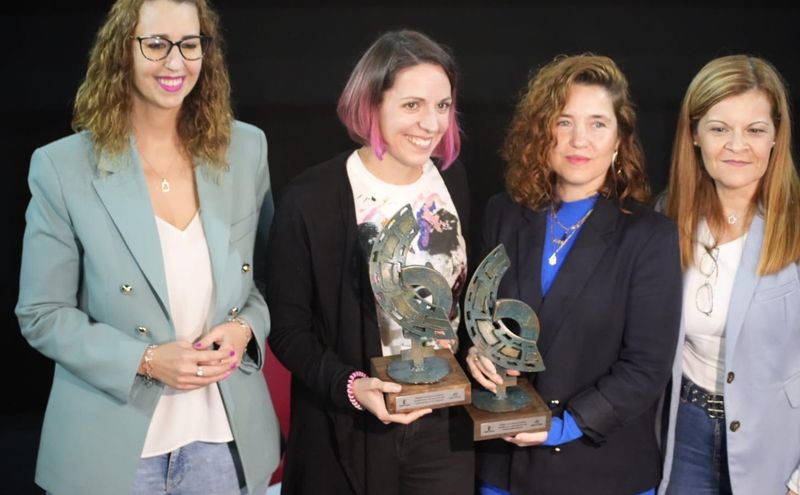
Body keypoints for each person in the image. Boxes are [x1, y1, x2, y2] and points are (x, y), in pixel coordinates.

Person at [15, 0, 279, 493]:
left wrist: (245, 328)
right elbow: (42, 313)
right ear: (122, 52)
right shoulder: (61, 168)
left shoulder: (247, 150)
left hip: (226, 445)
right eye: (156, 44)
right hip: (109, 449)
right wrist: (146, 360)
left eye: (190, 44)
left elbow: (268, 280)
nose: (175, 63)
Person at [266, 30, 473, 495]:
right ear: (371, 104)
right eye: (412, 105)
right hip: (349, 430)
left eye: (442, 106)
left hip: (442, 432)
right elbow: (288, 329)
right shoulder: (312, 199)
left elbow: (460, 295)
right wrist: (352, 386)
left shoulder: (453, 182)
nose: (430, 123)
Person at [467, 54, 682, 495]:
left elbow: (646, 367)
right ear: (542, 132)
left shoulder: (650, 236)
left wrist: (563, 427)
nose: (579, 140)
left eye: (598, 124)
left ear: (620, 139)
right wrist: (475, 353)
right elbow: (481, 316)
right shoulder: (502, 213)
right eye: (564, 122)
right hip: (504, 467)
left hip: (602, 469)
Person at [658, 55, 800, 495]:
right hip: (685, 433)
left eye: (755, 129)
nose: (738, 145)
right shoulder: (665, 218)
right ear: (694, 134)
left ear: (775, 138)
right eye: (719, 128)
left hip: (781, 444)